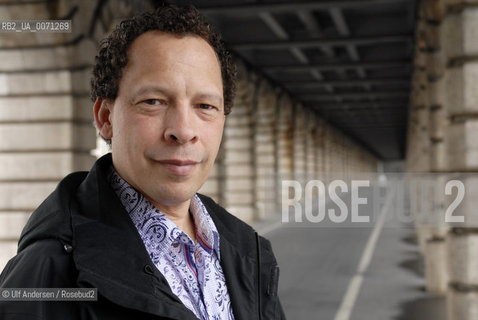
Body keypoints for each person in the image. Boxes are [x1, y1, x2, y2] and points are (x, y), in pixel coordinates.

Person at [0, 5, 285, 320]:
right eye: (153, 101)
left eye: (205, 105)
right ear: (106, 118)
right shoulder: (48, 273)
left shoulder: (248, 248)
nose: (183, 131)